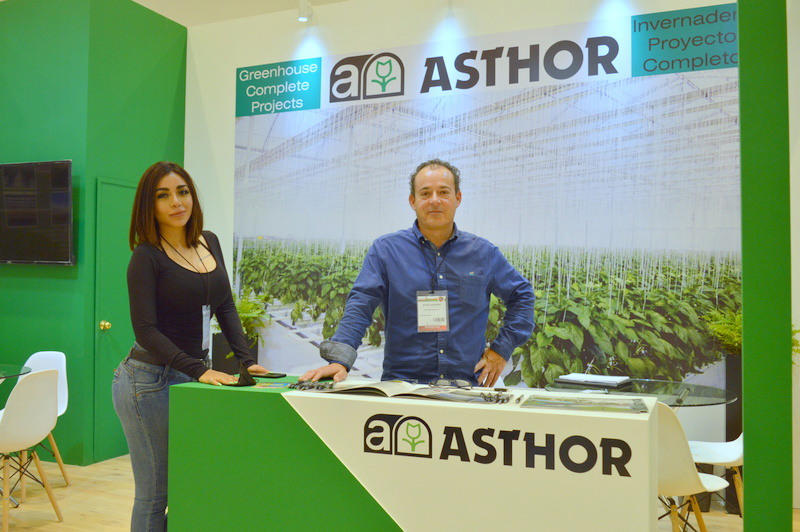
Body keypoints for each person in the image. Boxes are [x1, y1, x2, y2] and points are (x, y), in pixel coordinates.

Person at [112, 161, 269, 531]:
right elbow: (146, 330)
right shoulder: (146, 256)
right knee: (154, 496)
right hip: (148, 382)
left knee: (190, 483)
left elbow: (224, 304)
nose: (176, 202)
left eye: (182, 191)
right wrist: (200, 370)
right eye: (163, 195)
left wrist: (246, 360)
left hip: (190, 377)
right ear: (149, 206)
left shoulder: (208, 240)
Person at [300, 158, 534, 387]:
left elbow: (521, 294)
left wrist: (500, 350)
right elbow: (361, 303)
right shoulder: (386, 251)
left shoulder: (483, 253)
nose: (435, 200)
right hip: (403, 387)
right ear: (413, 201)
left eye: (443, 192)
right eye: (425, 193)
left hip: (467, 386)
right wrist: (340, 360)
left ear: (458, 198)